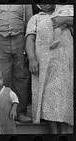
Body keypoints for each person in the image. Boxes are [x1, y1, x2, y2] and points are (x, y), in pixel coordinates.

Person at [25, 4, 73, 134]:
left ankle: (63, 130)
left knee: (64, 95)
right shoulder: (35, 18)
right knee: (48, 96)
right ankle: (53, 131)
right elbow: (30, 40)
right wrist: (32, 59)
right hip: (45, 64)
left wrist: (63, 20)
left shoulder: (65, 14)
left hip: (64, 64)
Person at [0, 5, 33, 122]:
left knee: (21, 76)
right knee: (2, 77)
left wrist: (30, 44)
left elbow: (30, 22)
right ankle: (4, 113)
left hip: (20, 39)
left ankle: (20, 112)